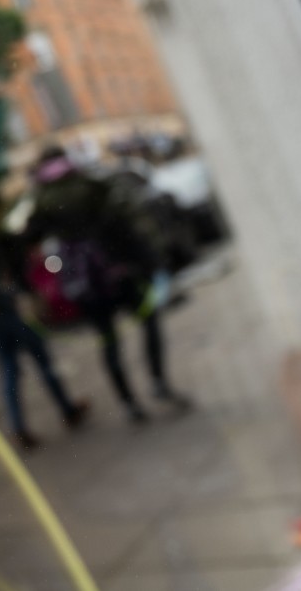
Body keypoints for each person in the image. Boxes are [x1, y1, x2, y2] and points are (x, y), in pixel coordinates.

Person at [25, 146, 192, 423]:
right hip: (116, 269)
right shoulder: (91, 185)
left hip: (85, 281)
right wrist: (149, 261)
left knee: (109, 342)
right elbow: (123, 221)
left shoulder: (42, 199)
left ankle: (129, 403)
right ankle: (158, 382)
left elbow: (30, 238)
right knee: (148, 320)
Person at [0, 185, 90, 450]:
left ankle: (18, 428)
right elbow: (19, 275)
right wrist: (33, 300)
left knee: (10, 368)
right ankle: (68, 410)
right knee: (42, 360)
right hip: (9, 310)